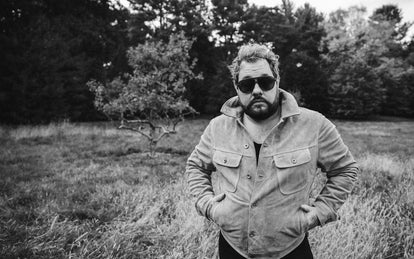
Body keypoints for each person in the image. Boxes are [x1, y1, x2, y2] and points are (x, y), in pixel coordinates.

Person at [186, 43, 358, 259]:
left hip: (291, 250)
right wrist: (207, 205)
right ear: (236, 87)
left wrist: (321, 211)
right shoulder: (217, 127)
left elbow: (345, 170)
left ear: (277, 81)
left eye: (265, 82)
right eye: (247, 85)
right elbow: (195, 166)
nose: (257, 90)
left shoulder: (315, 125)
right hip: (233, 248)